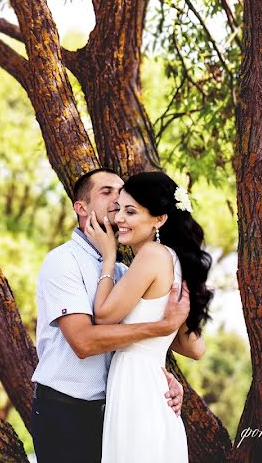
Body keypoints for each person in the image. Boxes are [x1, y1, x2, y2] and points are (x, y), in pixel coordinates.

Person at [30, 168, 192, 463]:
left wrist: (160, 375)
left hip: (114, 410)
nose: (117, 199)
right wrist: (160, 327)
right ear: (82, 208)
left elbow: (147, 339)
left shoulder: (123, 271)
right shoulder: (63, 262)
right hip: (66, 412)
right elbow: (84, 342)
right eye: (107, 192)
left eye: (121, 192)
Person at [85, 170, 213, 463]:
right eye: (119, 209)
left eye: (131, 212)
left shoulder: (152, 255)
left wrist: (108, 256)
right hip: (150, 379)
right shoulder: (175, 260)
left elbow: (103, 317)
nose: (119, 219)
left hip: (137, 384)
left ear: (159, 219)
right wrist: (160, 332)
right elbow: (195, 348)